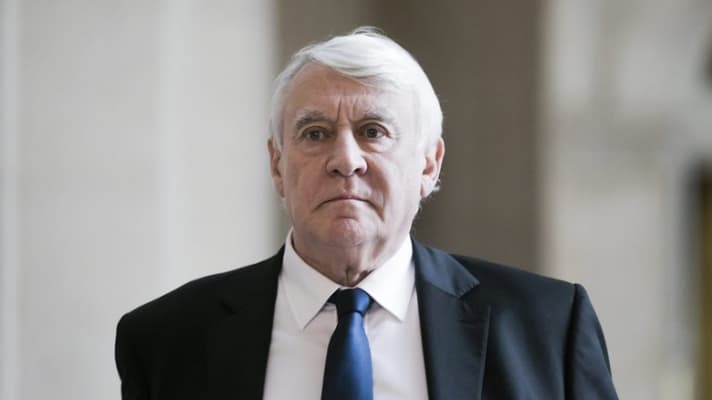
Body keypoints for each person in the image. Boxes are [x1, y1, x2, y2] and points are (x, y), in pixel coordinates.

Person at [115, 27, 618, 399]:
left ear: (428, 164)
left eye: (373, 132)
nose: (345, 160)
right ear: (276, 164)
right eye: (315, 134)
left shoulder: (547, 327)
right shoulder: (167, 339)